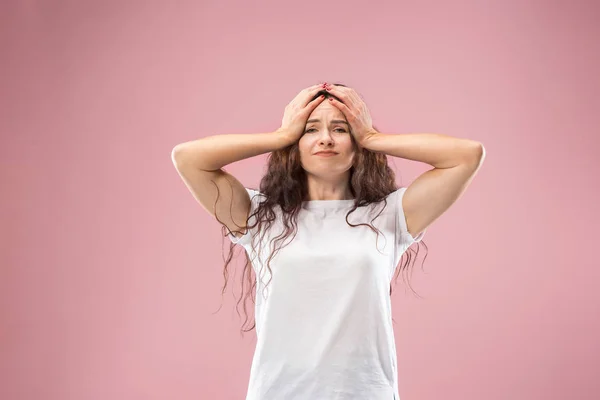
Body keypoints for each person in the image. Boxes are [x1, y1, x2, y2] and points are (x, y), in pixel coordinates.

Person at [171, 82, 485, 400]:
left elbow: (467, 156)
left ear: (356, 141)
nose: (325, 139)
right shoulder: (260, 216)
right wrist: (279, 136)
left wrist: (373, 138)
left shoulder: (391, 214)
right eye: (310, 129)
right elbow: (188, 158)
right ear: (296, 142)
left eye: (340, 129)